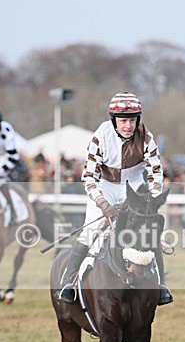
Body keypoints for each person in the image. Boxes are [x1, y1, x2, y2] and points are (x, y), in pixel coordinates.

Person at [56, 92, 172, 305]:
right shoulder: (100, 135)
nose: (128, 125)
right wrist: (103, 203)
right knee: (89, 232)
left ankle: (162, 284)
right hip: (104, 188)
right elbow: (88, 176)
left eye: (132, 120)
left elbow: (156, 173)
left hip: (135, 188)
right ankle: (68, 282)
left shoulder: (146, 137)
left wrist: (151, 202)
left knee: (146, 232)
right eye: (123, 120)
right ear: (114, 120)